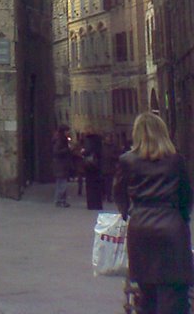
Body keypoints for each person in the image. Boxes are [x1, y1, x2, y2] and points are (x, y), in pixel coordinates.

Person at [113, 112, 193, 314]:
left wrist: (127, 213)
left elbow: (118, 193)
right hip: (171, 229)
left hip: (141, 229)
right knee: (173, 293)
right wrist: (182, 218)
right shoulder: (176, 161)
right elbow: (186, 196)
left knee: (146, 292)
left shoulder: (127, 161)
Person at [81, 131, 103, 210]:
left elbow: (86, 152)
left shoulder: (88, 142)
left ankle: (91, 204)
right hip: (97, 167)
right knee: (97, 186)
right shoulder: (99, 144)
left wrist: (83, 152)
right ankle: (98, 204)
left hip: (90, 167)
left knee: (90, 187)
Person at [52, 125, 72, 208]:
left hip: (61, 164)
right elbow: (56, 152)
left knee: (60, 183)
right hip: (61, 165)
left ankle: (61, 200)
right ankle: (60, 200)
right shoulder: (60, 140)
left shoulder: (62, 140)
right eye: (67, 131)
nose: (68, 133)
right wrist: (67, 150)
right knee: (62, 184)